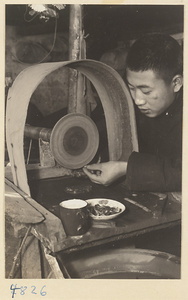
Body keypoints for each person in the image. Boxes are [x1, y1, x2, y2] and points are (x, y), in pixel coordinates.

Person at [83, 33, 183, 192]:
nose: (137, 100)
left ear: (176, 83)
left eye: (146, 91)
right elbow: (105, 122)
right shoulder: (135, 86)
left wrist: (126, 168)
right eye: (131, 88)